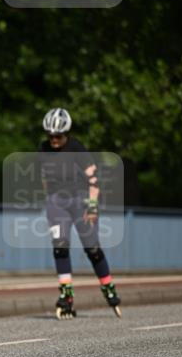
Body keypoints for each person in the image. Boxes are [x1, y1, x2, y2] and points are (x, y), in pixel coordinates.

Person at [40, 106, 122, 319]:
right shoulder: (43, 149)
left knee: (92, 248)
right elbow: (45, 179)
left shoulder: (78, 148)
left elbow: (94, 181)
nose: (53, 139)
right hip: (57, 202)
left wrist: (92, 207)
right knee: (60, 246)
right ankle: (66, 295)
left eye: (57, 135)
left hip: (80, 200)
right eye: (50, 135)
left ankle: (108, 286)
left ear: (66, 133)